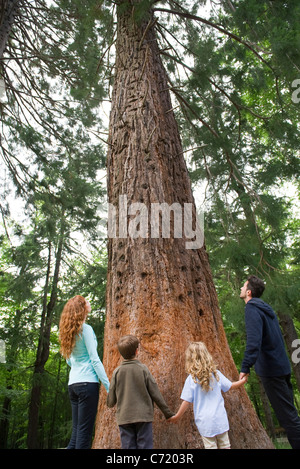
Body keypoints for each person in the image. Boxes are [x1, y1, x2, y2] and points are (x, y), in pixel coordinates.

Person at [239, 275, 300, 449]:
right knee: (291, 416)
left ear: (249, 292)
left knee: (288, 419)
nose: (241, 289)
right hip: (282, 367)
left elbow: (253, 341)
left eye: (243, 287)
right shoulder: (267, 309)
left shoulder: (251, 308)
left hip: (272, 371)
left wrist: (245, 367)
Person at [168, 342, 246, 449]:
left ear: (190, 359)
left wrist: (177, 416)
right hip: (220, 418)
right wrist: (243, 380)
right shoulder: (216, 374)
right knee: (225, 446)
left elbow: (186, 401)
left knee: (210, 447)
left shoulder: (191, 379)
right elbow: (231, 386)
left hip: (204, 421)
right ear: (206, 356)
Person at [59, 295, 109, 449]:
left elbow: (69, 360)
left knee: (76, 433)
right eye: (86, 301)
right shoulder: (85, 329)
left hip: (73, 384)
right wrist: (109, 386)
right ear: (82, 307)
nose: (89, 302)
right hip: (87, 384)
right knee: (84, 434)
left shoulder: (67, 331)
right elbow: (94, 359)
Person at [106, 335, 174, 449]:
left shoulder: (116, 372)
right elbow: (155, 393)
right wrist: (168, 414)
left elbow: (111, 401)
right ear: (137, 351)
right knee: (145, 446)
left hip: (124, 417)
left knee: (128, 447)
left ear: (121, 354)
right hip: (143, 416)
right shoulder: (143, 369)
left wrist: (109, 401)